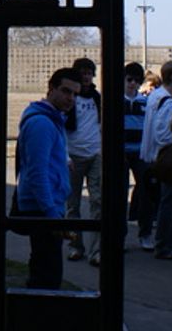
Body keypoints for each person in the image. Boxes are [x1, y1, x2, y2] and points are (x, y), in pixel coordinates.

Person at [12, 67, 80, 289]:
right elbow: (37, 172)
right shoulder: (42, 123)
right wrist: (51, 212)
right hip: (42, 207)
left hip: (46, 204)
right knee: (47, 273)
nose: (70, 98)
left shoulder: (51, 119)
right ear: (51, 89)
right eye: (66, 91)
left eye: (75, 94)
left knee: (44, 266)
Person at [141, 60, 172, 260]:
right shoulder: (167, 101)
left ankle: (166, 243)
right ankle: (167, 244)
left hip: (155, 156)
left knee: (168, 202)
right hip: (166, 159)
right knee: (171, 203)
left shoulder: (156, 96)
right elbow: (163, 133)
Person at [65, 57, 103, 266]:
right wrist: (65, 156)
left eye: (90, 73)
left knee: (98, 201)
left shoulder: (96, 98)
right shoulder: (70, 98)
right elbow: (61, 127)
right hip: (74, 155)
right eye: (83, 73)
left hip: (95, 154)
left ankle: (96, 250)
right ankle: (74, 245)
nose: (87, 77)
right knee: (73, 205)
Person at [122, 62, 157, 251]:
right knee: (119, 195)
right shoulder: (114, 100)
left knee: (146, 193)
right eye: (129, 79)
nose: (132, 83)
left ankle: (145, 234)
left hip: (140, 153)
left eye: (136, 80)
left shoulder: (146, 102)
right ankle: (119, 235)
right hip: (121, 153)